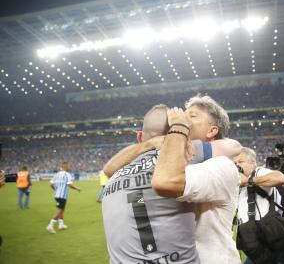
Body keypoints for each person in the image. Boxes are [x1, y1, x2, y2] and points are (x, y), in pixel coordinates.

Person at [102, 104, 241, 264]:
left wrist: (171, 135)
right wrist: (176, 134)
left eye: (192, 116)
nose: (184, 117)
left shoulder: (117, 174)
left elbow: (108, 170)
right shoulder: (179, 157)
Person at [152, 96, 242, 263]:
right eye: (184, 114)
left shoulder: (221, 166)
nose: (183, 118)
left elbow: (166, 182)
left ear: (212, 131)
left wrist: (178, 127)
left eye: (192, 116)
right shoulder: (177, 160)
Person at [234, 147, 284, 264]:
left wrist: (249, 181)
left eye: (240, 162)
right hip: (253, 236)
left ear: (252, 162)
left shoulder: (259, 172)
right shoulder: (238, 180)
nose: (237, 165)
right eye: (235, 163)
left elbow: (280, 178)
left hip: (269, 237)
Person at [46, 162, 81, 234]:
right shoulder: (67, 174)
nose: (69, 167)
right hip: (62, 195)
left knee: (62, 209)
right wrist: (77, 188)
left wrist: (56, 190)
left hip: (57, 195)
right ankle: (50, 225)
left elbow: (51, 184)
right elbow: (70, 185)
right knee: (59, 209)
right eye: (68, 166)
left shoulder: (57, 174)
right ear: (65, 166)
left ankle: (61, 224)